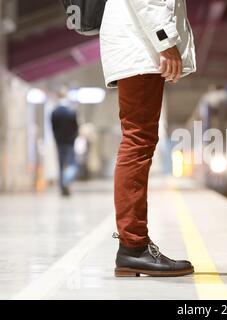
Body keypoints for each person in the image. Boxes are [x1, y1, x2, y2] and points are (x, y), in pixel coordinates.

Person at [100, 0, 196, 277]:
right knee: (138, 142)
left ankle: (133, 246)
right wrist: (165, 41)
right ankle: (133, 246)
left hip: (137, 46)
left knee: (138, 141)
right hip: (141, 48)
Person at [51, 89, 79, 197]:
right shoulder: (71, 111)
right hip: (70, 142)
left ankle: (62, 187)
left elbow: (53, 128)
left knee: (61, 164)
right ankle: (67, 180)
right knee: (72, 164)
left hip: (59, 142)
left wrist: (56, 139)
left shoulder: (54, 112)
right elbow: (76, 127)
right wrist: (74, 137)